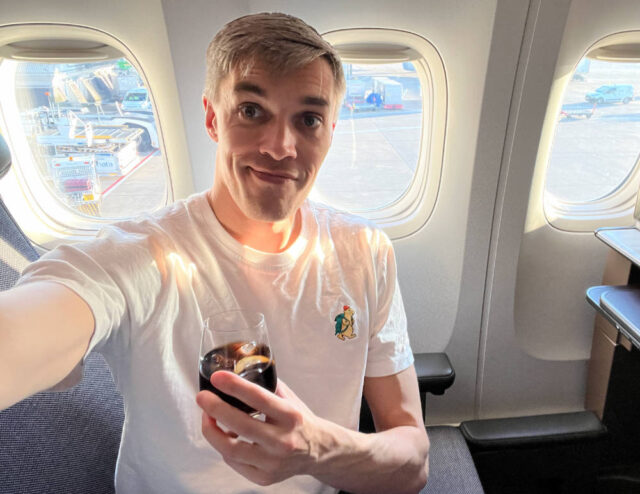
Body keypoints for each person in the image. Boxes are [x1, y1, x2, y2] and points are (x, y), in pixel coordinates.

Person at [0, 12, 429, 494]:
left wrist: (319, 450)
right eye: (252, 111)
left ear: (330, 131)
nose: (280, 146)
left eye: (307, 119)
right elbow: (34, 322)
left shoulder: (365, 253)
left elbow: (412, 463)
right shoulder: (144, 258)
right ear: (212, 118)